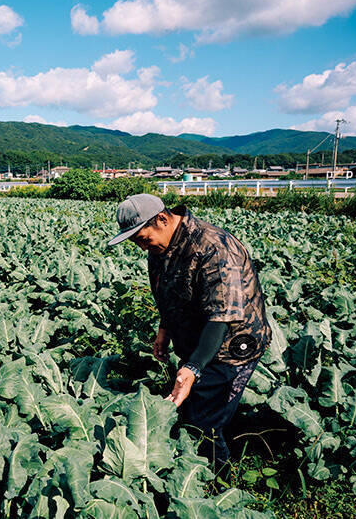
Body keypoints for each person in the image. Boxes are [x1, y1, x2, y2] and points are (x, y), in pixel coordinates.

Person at [108, 193, 271, 475]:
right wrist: (164, 329)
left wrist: (193, 367)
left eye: (143, 238)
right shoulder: (160, 248)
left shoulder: (215, 247)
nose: (142, 246)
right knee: (194, 408)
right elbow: (170, 294)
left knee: (202, 424)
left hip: (230, 347)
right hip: (197, 343)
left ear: (162, 218)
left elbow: (222, 317)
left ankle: (216, 482)